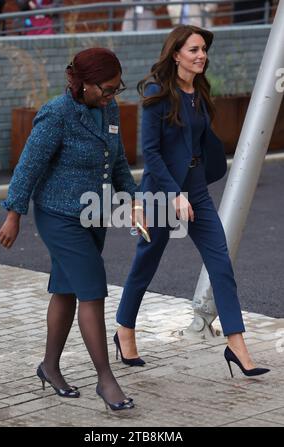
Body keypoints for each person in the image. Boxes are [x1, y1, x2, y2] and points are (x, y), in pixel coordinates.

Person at [115, 25, 270, 378]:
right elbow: (150, 153)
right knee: (146, 263)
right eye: (194, 50)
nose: (201, 55)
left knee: (220, 263)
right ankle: (124, 329)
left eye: (203, 50)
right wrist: (174, 194)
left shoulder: (199, 90)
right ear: (176, 54)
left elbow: (196, 142)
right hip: (161, 190)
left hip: (196, 187)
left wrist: (191, 185)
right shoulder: (156, 93)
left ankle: (237, 345)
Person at [0, 48, 147, 411]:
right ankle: (106, 380)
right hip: (58, 216)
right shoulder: (57, 114)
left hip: (92, 216)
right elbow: (29, 165)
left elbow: (119, 163)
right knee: (92, 289)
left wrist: (136, 200)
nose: (113, 95)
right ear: (82, 84)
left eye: (116, 89)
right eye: (107, 89)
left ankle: (49, 367)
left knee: (66, 289)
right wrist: (14, 213)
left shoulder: (108, 109)